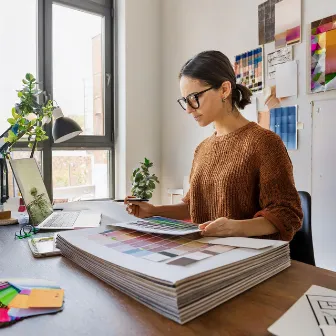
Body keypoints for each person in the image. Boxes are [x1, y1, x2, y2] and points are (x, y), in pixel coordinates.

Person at [125, 50, 303, 241]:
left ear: (224, 90)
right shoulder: (202, 149)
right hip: (207, 256)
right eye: (185, 101)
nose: (188, 109)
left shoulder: (265, 143)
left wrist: (236, 228)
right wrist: (152, 210)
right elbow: (193, 206)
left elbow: (287, 214)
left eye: (194, 97)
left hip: (248, 261)